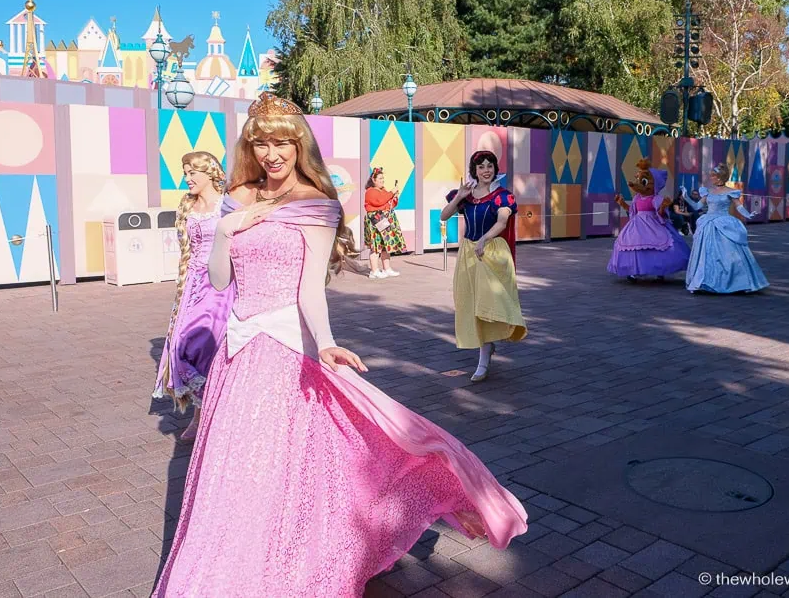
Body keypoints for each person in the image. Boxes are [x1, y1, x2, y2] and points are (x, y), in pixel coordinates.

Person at [152, 94, 527, 597]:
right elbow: (221, 281)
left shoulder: (318, 204)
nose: (271, 152)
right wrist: (224, 231)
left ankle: (293, 557)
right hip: (236, 356)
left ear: (298, 142)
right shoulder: (238, 196)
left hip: (286, 350)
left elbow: (309, 289)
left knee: (291, 460)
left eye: (282, 140)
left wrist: (326, 343)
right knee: (237, 473)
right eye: (261, 142)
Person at [152, 151, 233, 443]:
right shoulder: (187, 206)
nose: (186, 179)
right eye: (185, 173)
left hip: (220, 286)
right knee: (181, 341)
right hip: (192, 285)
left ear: (209, 173)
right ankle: (200, 414)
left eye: (191, 173)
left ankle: (211, 417)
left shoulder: (227, 205)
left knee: (206, 344)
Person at [441, 151, 527, 382]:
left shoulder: (503, 196)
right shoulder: (466, 196)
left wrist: (484, 239)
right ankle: (485, 349)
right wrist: (459, 197)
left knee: (488, 303)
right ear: (474, 170)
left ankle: (484, 356)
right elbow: (444, 215)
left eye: (490, 166)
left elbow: (502, 221)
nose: (486, 170)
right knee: (471, 303)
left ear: (495, 169)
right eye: (481, 167)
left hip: (493, 253)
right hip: (469, 254)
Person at [679, 163, 769, 293]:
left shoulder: (731, 192)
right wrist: (686, 196)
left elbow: (738, 206)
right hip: (708, 224)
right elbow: (698, 206)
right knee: (706, 254)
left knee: (729, 253)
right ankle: (704, 281)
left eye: (713, 176)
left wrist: (748, 214)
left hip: (724, 223)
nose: (711, 178)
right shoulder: (708, 191)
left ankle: (736, 281)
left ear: (720, 177)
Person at [609, 158, 690, 281]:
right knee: (633, 244)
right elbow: (632, 210)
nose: (638, 184)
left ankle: (660, 270)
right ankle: (633, 271)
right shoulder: (637, 198)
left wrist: (663, 207)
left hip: (653, 224)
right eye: (638, 179)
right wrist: (622, 203)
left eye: (644, 181)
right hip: (637, 225)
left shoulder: (655, 198)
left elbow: (660, 213)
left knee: (658, 245)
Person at [363, 166, 405, 279]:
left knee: (385, 244)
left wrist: (394, 197)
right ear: (373, 179)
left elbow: (389, 203)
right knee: (376, 245)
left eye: (383, 179)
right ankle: (374, 270)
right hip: (375, 221)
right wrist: (391, 192)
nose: (382, 181)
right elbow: (380, 201)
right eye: (380, 178)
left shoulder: (383, 191)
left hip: (384, 220)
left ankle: (387, 268)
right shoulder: (370, 192)